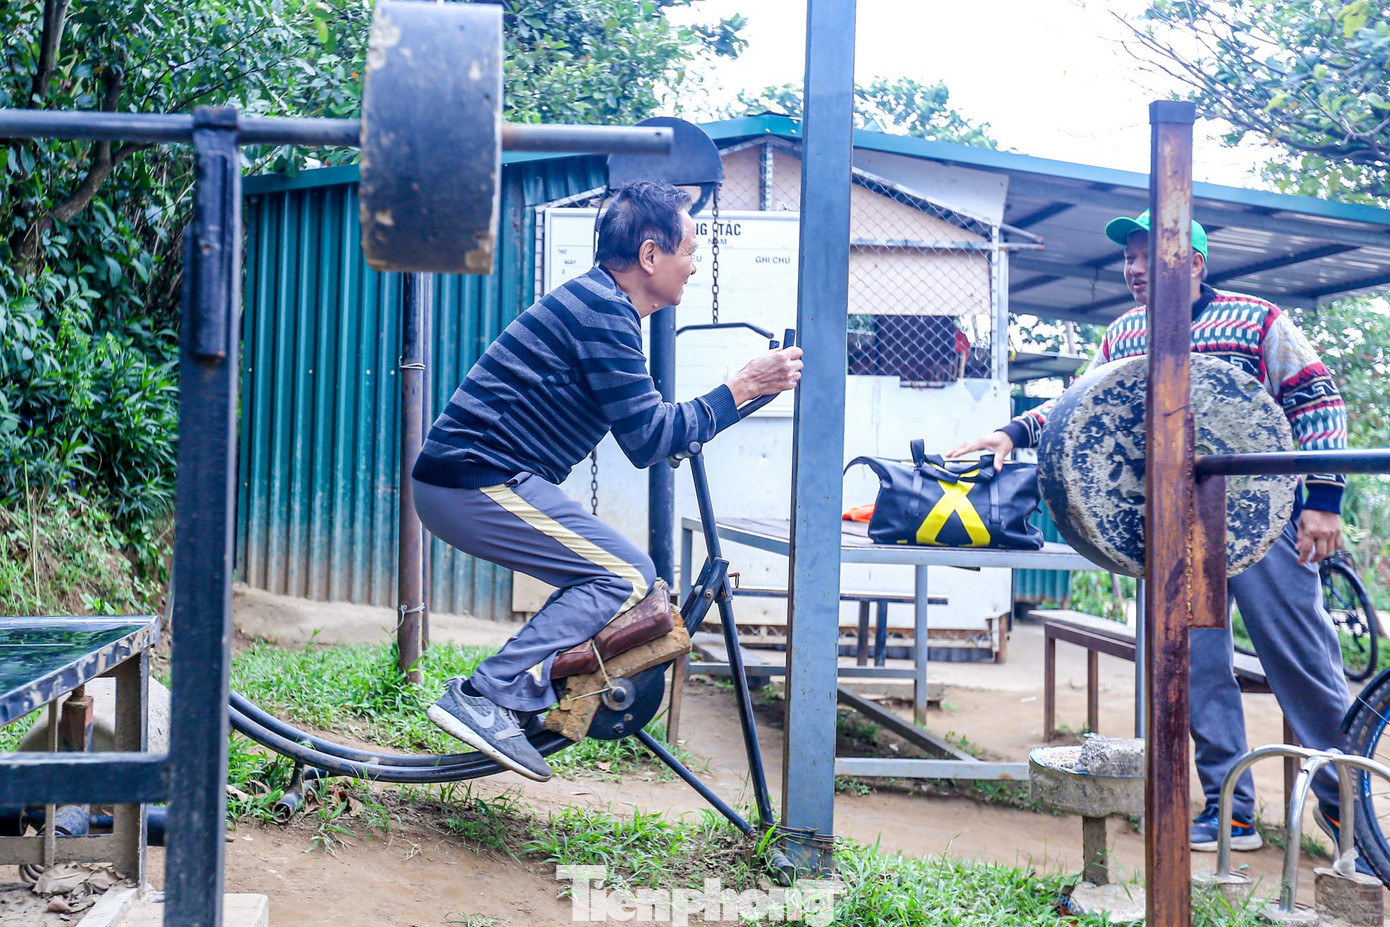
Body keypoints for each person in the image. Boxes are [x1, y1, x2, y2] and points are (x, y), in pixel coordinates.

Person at [950, 209, 1356, 857]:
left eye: (1149, 256)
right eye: (1129, 259)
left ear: (1194, 263)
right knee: (1198, 667)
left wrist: (1325, 499)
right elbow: (1079, 401)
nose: (1135, 269)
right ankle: (1231, 811)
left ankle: (1350, 812)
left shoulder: (1256, 320)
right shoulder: (1127, 333)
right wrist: (1013, 432)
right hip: (1177, 529)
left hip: (1262, 517)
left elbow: (1317, 398)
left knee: (1302, 664)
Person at [410, 180, 803, 782]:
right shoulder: (603, 313)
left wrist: (743, 391)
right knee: (622, 578)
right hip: (474, 480)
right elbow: (650, 439)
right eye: (690, 252)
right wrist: (744, 386)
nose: (695, 268)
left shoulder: (603, 305)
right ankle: (488, 693)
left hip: (483, 478)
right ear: (651, 256)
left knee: (627, 576)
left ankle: (520, 693)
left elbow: (657, 432)